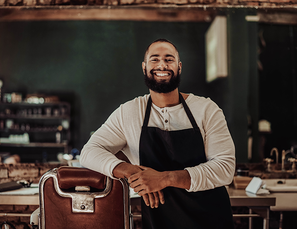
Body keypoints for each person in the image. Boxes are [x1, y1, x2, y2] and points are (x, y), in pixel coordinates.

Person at [80, 38, 235, 229]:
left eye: (169, 59)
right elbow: (89, 152)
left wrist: (164, 179)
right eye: (155, 59)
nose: (162, 64)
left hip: (210, 219)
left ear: (179, 67)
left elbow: (225, 168)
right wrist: (132, 172)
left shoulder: (206, 109)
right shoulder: (129, 112)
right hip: (160, 220)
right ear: (144, 67)